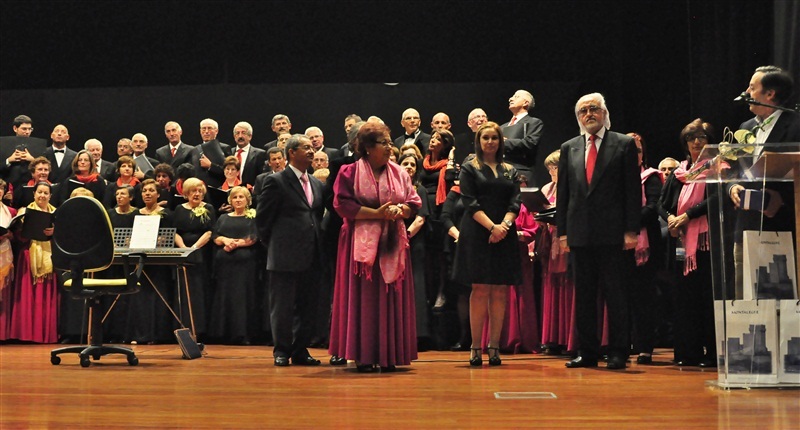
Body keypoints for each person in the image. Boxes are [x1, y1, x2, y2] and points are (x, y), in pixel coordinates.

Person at [328, 122, 421, 372]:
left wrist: (401, 210)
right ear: (368, 147)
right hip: (360, 244)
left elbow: (414, 201)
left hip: (392, 241)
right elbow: (342, 205)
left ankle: (390, 354)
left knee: (391, 295)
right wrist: (378, 214)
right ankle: (364, 355)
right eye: (385, 143)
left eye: (391, 143)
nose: (391, 148)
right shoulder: (348, 172)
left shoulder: (400, 172)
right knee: (365, 299)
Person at [556, 93, 640, 370]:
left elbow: (631, 191)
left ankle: (618, 352)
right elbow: (564, 194)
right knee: (584, 296)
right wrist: (563, 233)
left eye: (594, 109)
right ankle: (587, 351)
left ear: (604, 113)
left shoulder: (624, 144)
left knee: (615, 294)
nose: (588, 114)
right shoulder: (570, 147)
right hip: (580, 234)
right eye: (583, 111)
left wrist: (631, 230)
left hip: (614, 233)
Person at [727, 66, 800, 299]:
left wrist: (784, 199)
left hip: (783, 227)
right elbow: (732, 171)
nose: (746, 91)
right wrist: (732, 187)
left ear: (770, 94)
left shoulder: (796, 126)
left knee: (782, 305)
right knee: (746, 301)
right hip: (746, 228)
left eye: (752, 87)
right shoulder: (744, 129)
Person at [453, 122, 522, 367]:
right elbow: (469, 202)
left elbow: (515, 202)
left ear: (500, 141)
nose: (490, 142)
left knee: (500, 289)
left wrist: (503, 226)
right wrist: (492, 227)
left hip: (504, 233)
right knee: (480, 288)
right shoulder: (469, 168)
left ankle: (494, 347)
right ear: (479, 141)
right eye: (486, 138)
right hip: (477, 232)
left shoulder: (510, 170)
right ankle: (475, 347)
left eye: (494, 137)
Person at [257, 134, 325, 367]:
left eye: (311, 147)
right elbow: (263, 221)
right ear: (291, 153)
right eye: (305, 147)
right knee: (283, 306)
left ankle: (300, 349)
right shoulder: (276, 181)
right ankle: (282, 350)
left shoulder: (316, 183)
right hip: (284, 255)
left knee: (307, 306)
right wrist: (275, 245)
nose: (311, 150)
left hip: (312, 255)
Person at [658, 119, 717, 367]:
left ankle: (712, 353)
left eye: (701, 138)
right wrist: (671, 218)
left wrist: (688, 215)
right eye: (692, 138)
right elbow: (662, 203)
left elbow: (716, 198)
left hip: (707, 244)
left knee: (706, 297)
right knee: (684, 299)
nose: (696, 142)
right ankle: (687, 352)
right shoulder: (679, 172)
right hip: (681, 243)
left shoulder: (717, 168)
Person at [625, 132, 664, 365]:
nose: (634, 154)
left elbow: (652, 206)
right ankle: (623, 343)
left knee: (643, 298)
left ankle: (644, 347)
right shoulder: (615, 177)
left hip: (645, 245)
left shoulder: (650, 177)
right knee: (622, 296)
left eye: (637, 150)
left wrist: (627, 223)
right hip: (618, 244)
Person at [124, 179, 174, 344]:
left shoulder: (166, 213)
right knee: (139, 296)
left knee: (157, 296)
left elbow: (168, 237)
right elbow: (128, 236)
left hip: (158, 262)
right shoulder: (136, 213)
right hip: (139, 260)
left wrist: (159, 239)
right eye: (144, 191)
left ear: (158, 194)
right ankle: (138, 334)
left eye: (151, 191)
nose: (147, 193)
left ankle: (157, 335)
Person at [537, 150, 577, 356]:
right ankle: (553, 338)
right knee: (552, 286)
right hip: (551, 242)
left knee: (568, 286)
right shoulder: (547, 188)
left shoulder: (573, 187)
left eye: (555, 167)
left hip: (568, 241)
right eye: (549, 168)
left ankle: (569, 338)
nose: (551, 171)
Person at [8, 182, 57, 343]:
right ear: (34, 194)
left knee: (45, 297)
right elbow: (18, 237)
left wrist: (55, 232)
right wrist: (24, 228)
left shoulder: (56, 213)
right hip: (28, 256)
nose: (42, 196)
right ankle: (27, 334)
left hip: (49, 257)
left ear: (50, 196)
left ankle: (44, 333)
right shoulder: (24, 212)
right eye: (39, 192)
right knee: (28, 296)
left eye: (46, 193)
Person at [210, 186, 258, 344]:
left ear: (247, 200)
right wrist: (225, 240)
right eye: (235, 197)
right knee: (225, 297)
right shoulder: (223, 218)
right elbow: (215, 236)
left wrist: (236, 244)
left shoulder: (252, 217)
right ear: (230, 200)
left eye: (241, 197)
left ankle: (243, 334)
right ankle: (223, 333)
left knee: (242, 298)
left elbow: (254, 237)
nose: (238, 200)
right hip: (225, 266)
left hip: (245, 266)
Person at [173, 177, 216, 339]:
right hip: (182, 252)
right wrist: (183, 248)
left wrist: (194, 248)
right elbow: (175, 231)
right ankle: (184, 327)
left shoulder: (209, 208)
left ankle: (201, 329)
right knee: (184, 290)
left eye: (199, 191)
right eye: (193, 191)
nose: (196, 194)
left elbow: (210, 232)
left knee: (199, 290)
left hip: (202, 252)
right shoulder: (179, 209)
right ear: (186, 193)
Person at [397, 153, 431, 350]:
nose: (409, 167)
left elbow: (420, 218)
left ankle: (417, 334)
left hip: (413, 242)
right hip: (395, 242)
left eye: (412, 164)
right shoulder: (393, 187)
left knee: (416, 286)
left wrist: (406, 237)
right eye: (405, 163)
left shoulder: (420, 190)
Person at [420, 129, 456, 311]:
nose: (433, 140)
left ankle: (442, 292)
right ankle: (429, 292)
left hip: (440, 209)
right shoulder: (423, 163)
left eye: (438, 139)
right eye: (432, 137)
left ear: (445, 145)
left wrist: (450, 159)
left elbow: (449, 181)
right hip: (424, 208)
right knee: (427, 255)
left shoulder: (447, 165)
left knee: (441, 254)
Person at [501, 90, 544, 184]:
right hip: (500, 173)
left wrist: (503, 142)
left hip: (521, 173)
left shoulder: (534, 122)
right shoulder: (502, 127)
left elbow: (530, 143)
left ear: (525, 103)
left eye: (516, 97)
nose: (510, 99)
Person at [0, 179, 18, 341]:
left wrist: (9, 234)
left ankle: (2, 333)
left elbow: (14, 233)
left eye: (1, 188)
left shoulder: (10, 211)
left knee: (3, 293)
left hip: (5, 252)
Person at [192, 118, 232, 188]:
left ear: (216, 131)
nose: (206, 131)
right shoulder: (195, 149)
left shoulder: (224, 148)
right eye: (204, 129)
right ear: (200, 131)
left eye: (209, 128)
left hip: (218, 189)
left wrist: (210, 166)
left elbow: (230, 172)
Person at [231, 121, 266, 188]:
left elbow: (262, 176)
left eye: (243, 133)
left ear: (250, 136)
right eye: (237, 133)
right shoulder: (229, 152)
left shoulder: (260, 154)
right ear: (234, 136)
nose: (240, 136)